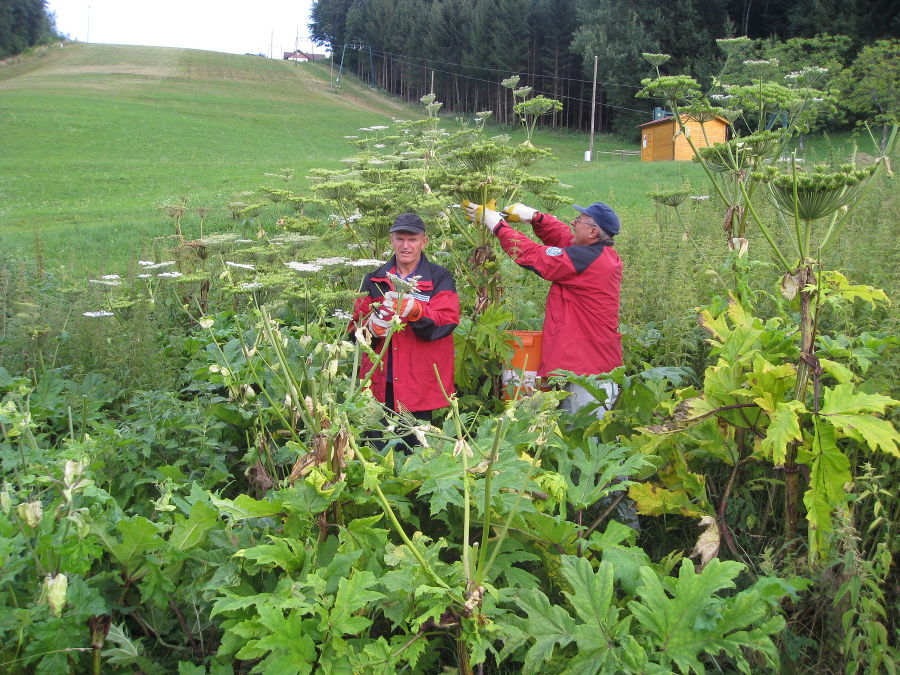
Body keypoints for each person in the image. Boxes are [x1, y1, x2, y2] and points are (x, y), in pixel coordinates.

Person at [462, 200, 623, 416]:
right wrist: (535, 217)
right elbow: (564, 237)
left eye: (579, 220)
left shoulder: (588, 260)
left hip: (588, 375)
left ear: (593, 231)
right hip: (582, 366)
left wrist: (498, 225)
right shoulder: (594, 253)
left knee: (581, 436)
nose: (573, 223)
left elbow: (537, 256)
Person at [351, 213, 460, 442]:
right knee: (376, 448)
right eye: (400, 239)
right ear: (392, 241)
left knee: (414, 452)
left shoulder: (440, 277)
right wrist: (369, 330)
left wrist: (417, 311)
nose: (406, 245)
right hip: (378, 382)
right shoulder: (374, 279)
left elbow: (447, 321)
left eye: (412, 239)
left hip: (417, 384)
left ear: (424, 242)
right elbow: (353, 328)